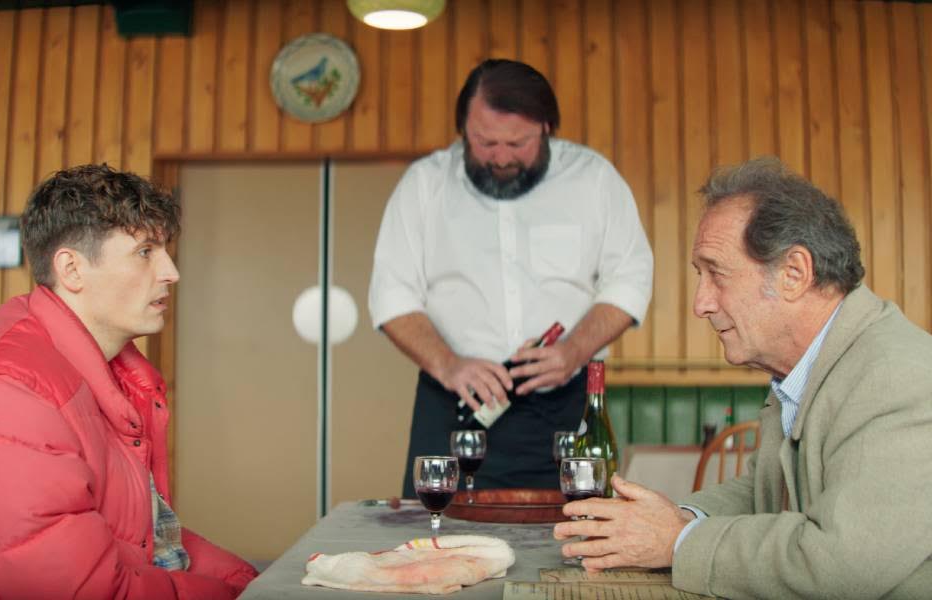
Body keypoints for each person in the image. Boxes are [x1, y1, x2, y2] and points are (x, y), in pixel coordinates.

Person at [555, 157, 932, 598]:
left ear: (794, 273)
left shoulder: (900, 377)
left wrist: (677, 542)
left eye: (716, 273)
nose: (701, 304)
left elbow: (845, 562)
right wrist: (670, 521)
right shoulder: (809, 369)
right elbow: (762, 494)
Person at [0, 165, 258, 598]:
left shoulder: (106, 370)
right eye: (145, 252)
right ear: (72, 269)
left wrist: (251, 583)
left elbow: (147, 536)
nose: (171, 271)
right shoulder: (6, 399)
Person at [368, 59, 653, 497]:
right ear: (463, 129)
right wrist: (448, 364)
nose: (501, 158)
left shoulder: (593, 179)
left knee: (576, 530)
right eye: (485, 142)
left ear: (546, 128)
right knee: (435, 531)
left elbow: (629, 278)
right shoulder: (424, 184)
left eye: (517, 143)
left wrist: (574, 350)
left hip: (564, 407)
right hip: (454, 405)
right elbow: (392, 295)